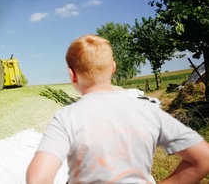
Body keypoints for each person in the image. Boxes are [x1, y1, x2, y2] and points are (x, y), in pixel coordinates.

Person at [26, 34, 209, 184]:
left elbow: (37, 179)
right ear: (113, 68)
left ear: (72, 75)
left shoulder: (66, 118)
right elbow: (204, 158)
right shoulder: (147, 110)